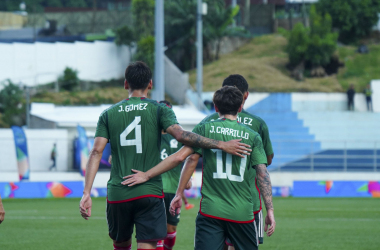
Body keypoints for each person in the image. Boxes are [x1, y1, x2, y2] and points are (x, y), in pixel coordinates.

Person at [79, 61, 251, 250]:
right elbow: (181, 136)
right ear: (150, 84)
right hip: (149, 191)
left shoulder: (108, 114)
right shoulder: (160, 109)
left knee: (121, 246)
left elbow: (96, 152)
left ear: (126, 84)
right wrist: (220, 144)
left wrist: (87, 192)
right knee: (149, 246)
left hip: (118, 193)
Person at [122, 86, 276, 250]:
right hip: (242, 213)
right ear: (240, 108)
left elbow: (186, 158)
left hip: (211, 212)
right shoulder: (253, 136)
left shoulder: (205, 129)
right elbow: (262, 174)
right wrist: (270, 211)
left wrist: (177, 192)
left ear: (216, 107)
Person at [197, 74, 274, 248]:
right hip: (248, 202)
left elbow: (189, 154)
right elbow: (266, 162)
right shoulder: (257, 125)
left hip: (213, 202)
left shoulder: (207, 123)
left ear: (217, 102)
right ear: (244, 97)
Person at [156, 100, 193, 250]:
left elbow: (188, 158)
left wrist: (188, 176)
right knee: (156, 229)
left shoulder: (179, 137)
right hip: (155, 188)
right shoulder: (150, 135)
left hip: (173, 188)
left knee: (171, 229)